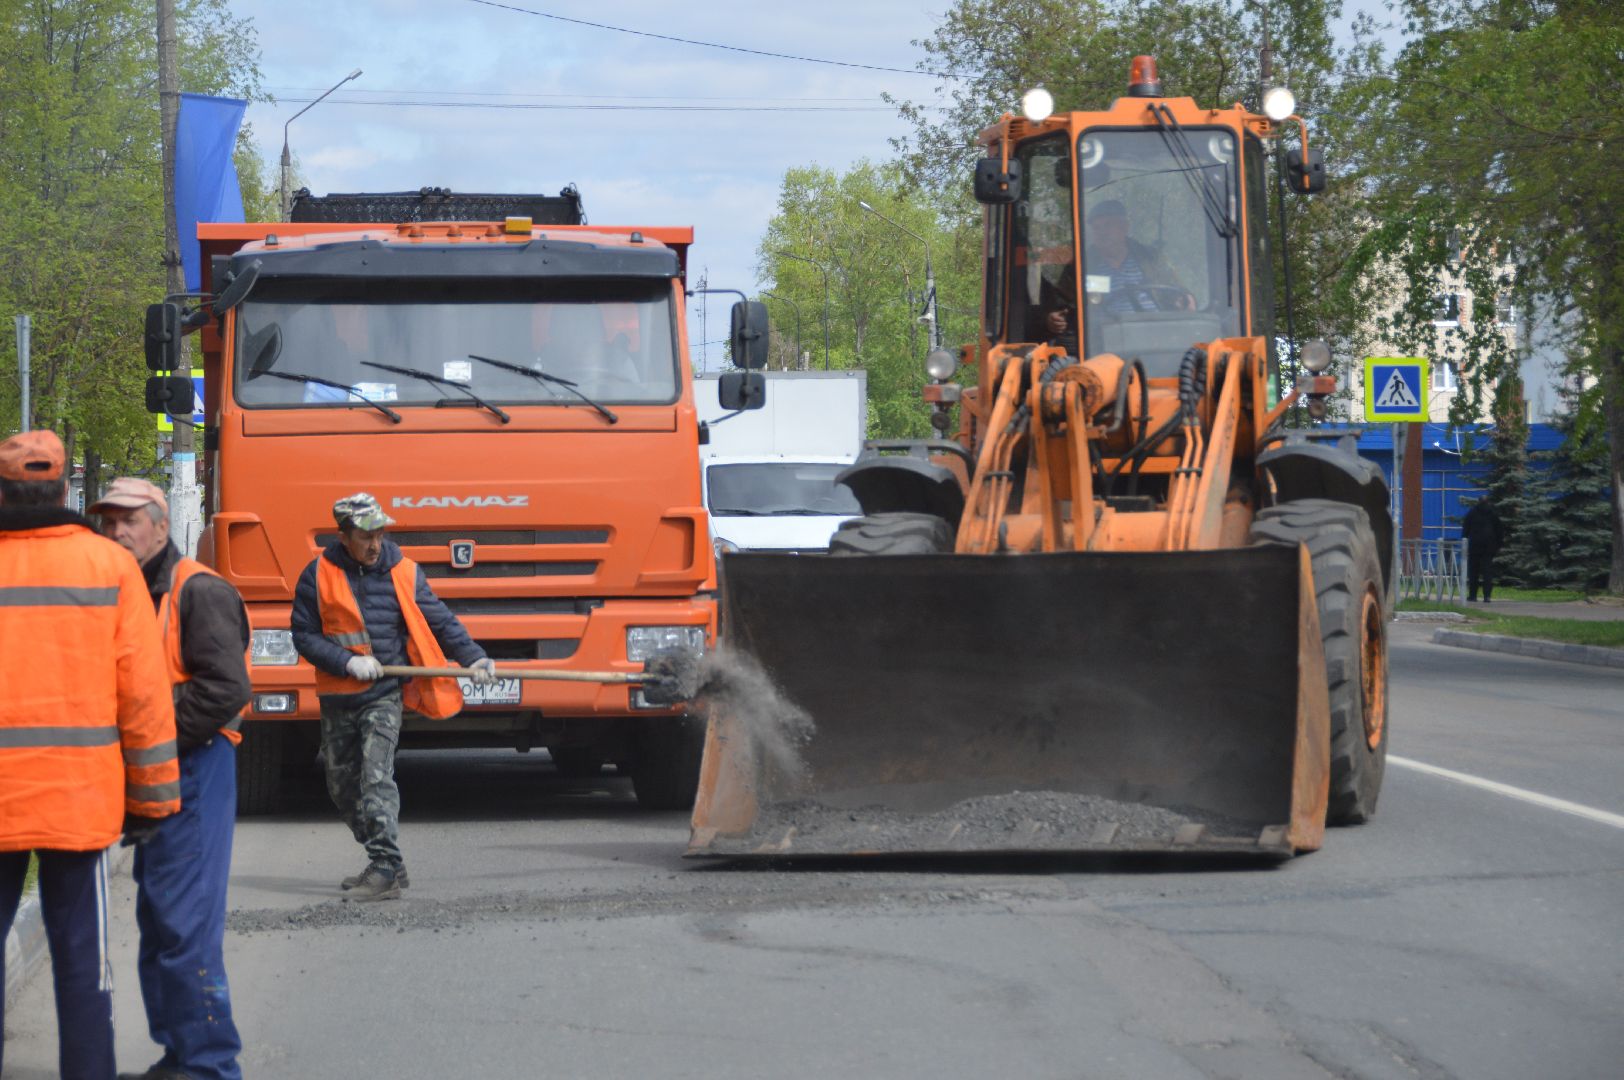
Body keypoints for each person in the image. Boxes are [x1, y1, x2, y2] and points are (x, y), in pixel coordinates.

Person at [0, 432, 179, 1080]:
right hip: (77, 803)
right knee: (82, 962)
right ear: (63, 490)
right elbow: (143, 696)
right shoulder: (109, 567)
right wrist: (154, 798)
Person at [91, 477, 251, 1080]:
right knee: (158, 922)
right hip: (154, 773)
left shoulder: (197, 591)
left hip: (195, 769)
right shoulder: (122, 589)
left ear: (163, 525)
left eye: (130, 519)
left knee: (185, 926)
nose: (117, 531)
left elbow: (226, 691)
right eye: (109, 521)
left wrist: (146, 735)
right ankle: (179, 1053)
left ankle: (210, 1064)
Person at [289, 493, 496, 901]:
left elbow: (440, 619)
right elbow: (304, 636)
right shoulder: (317, 575)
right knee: (342, 788)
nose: (375, 543)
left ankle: (384, 869)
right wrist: (346, 662)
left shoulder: (404, 572)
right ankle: (386, 856)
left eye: (380, 533)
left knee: (375, 776)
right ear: (344, 536)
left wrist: (474, 657)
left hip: (383, 695)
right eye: (366, 535)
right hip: (338, 695)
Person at [1045, 199, 1192, 338]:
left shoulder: (1150, 259)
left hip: (1155, 332)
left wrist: (1185, 301)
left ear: (1124, 227)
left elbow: (1179, 292)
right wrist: (1054, 318)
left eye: (1108, 225)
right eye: (1097, 228)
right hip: (1103, 340)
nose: (1102, 232)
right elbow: (1061, 305)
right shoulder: (1080, 267)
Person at [1462, 498, 1505, 602]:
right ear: (1488, 502)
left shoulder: (1472, 513)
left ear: (1478, 502)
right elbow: (1499, 530)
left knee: (1473, 571)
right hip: (1489, 547)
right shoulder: (1493, 514)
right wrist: (1498, 545)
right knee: (1487, 572)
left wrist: (1465, 542)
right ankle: (1487, 596)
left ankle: (1473, 595)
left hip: (1475, 546)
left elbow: (1466, 528)